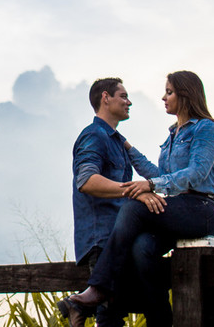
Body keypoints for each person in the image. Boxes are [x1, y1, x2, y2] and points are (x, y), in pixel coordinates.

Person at [60, 71, 214, 327]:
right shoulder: (171, 135)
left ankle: (97, 289)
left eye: (169, 92)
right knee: (142, 248)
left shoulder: (205, 127)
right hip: (175, 211)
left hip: (202, 208)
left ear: (185, 93)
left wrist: (147, 186)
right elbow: (164, 176)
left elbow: (194, 174)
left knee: (134, 208)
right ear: (106, 98)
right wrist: (129, 149)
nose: (164, 97)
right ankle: (160, 320)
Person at [63, 77, 142, 327]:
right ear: (105, 98)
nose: (129, 102)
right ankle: (77, 306)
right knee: (109, 315)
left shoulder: (116, 140)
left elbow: (152, 170)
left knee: (116, 310)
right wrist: (133, 191)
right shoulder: (94, 136)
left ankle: (78, 307)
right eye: (123, 96)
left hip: (117, 238)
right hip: (102, 240)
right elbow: (86, 180)